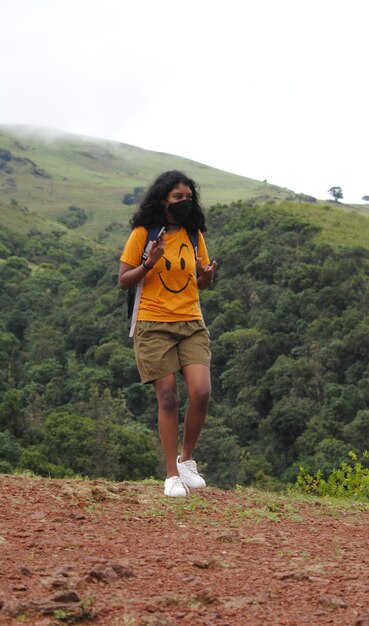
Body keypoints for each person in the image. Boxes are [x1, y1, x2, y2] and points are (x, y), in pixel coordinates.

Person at [118, 170, 217, 497]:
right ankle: (171, 475)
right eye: (178, 198)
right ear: (163, 199)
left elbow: (200, 282)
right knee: (169, 398)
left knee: (201, 393)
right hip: (153, 323)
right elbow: (123, 280)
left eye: (188, 198)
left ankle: (186, 460)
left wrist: (206, 276)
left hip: (191, 322)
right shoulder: (143, 234)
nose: (184, 203)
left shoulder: (192, 235)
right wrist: (150, 263)